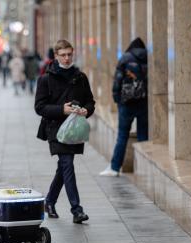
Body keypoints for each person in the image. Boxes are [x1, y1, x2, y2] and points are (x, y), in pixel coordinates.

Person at [35, 39, 95, 223]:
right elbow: (39, 107)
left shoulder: (80, 77)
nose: (67, 58)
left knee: (63, 168)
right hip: (55, 129)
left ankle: (49, 202)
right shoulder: (46, 78)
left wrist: (86, 110)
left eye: (69, 54)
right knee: (67, 164)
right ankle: (76, 210)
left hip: (74, 130)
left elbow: (90, 102)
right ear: (56, 56)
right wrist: (62, 109)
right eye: (63, 55)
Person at [99, 37, 148, 177]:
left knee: (122, 135)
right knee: (143, 136)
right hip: (143, 102)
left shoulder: (126, 58)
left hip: (127, 102)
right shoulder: (147, 58)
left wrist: (117, 98)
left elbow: (118, 80)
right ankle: (143, 169)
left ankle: (114, 168)